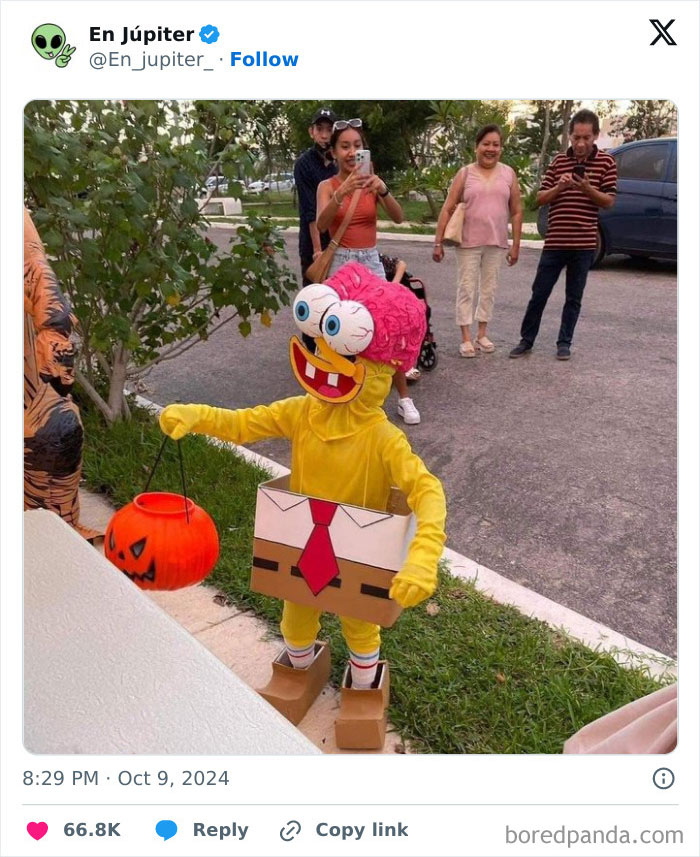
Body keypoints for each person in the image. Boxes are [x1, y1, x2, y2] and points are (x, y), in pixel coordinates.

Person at [159, 263, 446, 749]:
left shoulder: (382, 438)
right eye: (316, 345)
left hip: (359, 555)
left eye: (340, 354)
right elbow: (245, 423)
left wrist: (422, 556)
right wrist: (198, 415)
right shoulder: (302, 413)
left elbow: (426, 490)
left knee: (360, 626)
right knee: (296, 616)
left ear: (378, 372)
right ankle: (299, 664)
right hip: (302, 548)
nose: (319, 360)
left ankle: (363, 682)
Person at [316, 119, 421, 425]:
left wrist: (383, 189)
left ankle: (403, 398)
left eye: (356, 146)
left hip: (371, 261)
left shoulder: (372, 181)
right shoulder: (328, 186)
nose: (351, 152)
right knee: (339, 331)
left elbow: (399, 218)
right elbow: (321, 225)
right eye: (344, 146)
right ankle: (335, 399)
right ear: (334, 152)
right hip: (342, 265)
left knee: (389, 327)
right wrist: (342, 191)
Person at [510, 109, 617, 361]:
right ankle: (526, 340)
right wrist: (560, 186)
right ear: (569, 135)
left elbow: (609, 201)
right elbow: (539, 198)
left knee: (574, 297)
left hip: (583, 245)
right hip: (555, 242)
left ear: (596, 136)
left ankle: (564, 342)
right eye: (576, 137)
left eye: (586, 138)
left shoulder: (607, 163)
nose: (580, 143)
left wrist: (587, 188)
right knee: (539, 293)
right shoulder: (558, 162)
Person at [433, 125, 522, 357]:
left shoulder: (508, 174)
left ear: (501, 148)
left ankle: (482, 333)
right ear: (477, 147)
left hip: (496, 241)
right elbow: (447, 207)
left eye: (495, 144)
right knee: (466, 288)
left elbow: (517, 211)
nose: (490, 149)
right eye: (486, 144)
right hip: (468, 243)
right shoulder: (465, 173)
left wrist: (516, 244)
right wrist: (438, 241)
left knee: (489, 289)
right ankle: (465, 337)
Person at [293, 107, 338, 286]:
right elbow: (310, 209)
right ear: (312, 132)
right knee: (314, 292)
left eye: (329, 130)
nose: (324, 135)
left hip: (338, 238)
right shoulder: (303, 164)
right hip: (313, 239)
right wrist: (317, 250)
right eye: (320, 129)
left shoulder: (339, 163)